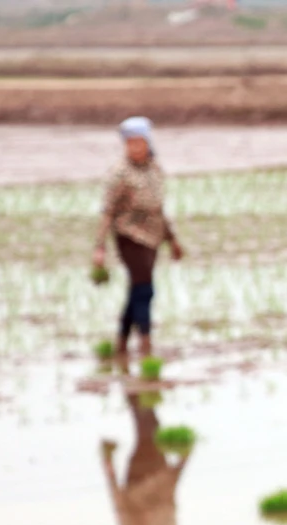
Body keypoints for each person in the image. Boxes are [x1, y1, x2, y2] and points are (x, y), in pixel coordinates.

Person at [93, 116, 184, 359]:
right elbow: (107, 212)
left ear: (147, 143)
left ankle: (122, 341)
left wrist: (172, 239)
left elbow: (160, 207)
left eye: (139, 142)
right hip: (129, 236)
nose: (135, 148)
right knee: (145, 289)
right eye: (130, 143)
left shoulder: (155, 169)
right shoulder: (119, 174)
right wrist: (99, 247)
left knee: (138, 290)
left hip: (153, 237)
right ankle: (145, 342)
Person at [101, 391, 190, 525]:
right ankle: (136, 387)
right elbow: (170, 497)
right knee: (150, 428)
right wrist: (183, 461)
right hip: (158, 471)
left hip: (140, 478)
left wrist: (108, 466)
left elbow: (119, 504)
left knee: (148, 429)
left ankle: (134, 386)